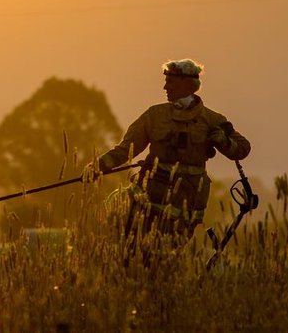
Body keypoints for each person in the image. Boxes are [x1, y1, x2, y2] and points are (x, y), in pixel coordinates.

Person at [83, 59, 251, 241]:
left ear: (188, 84)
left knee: (169, 256)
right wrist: (97, 167)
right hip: (149, 201)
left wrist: (224, 141)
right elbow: (126, 150)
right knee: (135, 251)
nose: (165, 87)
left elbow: (243, 149)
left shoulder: (213, 120)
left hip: (187, 207)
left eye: (171, 82)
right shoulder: (154, 116)